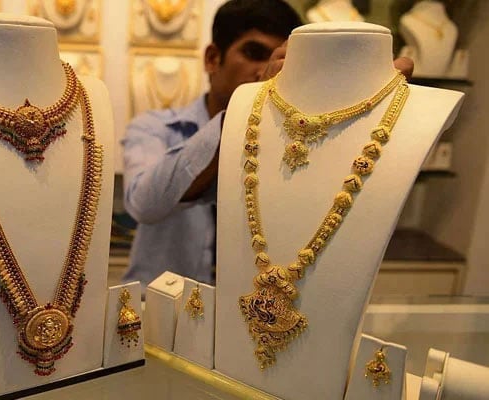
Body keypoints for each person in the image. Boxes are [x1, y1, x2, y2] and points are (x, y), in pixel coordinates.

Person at [121, 0, 413, 289]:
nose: (267, 69)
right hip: (159, 315)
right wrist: (247, 109)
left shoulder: (295, 143)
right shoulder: (154, 127)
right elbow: (143, 204)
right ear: (212, 59)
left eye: (284, 59)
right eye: (254, 53)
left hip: (251, 318)